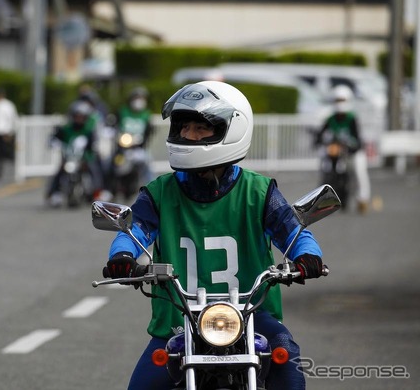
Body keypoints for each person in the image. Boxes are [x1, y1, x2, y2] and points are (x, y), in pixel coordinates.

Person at [104, 81, 326, 390]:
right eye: (184, 128)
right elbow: (134, 229)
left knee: (286, 357)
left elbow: (292, 230)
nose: (188, 135)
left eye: (200, 128)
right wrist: (122, 256)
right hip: (177, 323)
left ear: (233, 130)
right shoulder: (158, 193)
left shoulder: (259, 192)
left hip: (250, 317)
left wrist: (307, 255)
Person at [315, 84, 370, 214]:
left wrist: (351, 146)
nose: (340, 103)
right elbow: (320, 134)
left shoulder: (352, 118)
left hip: (352, 152)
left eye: (342, 100)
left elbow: (357, 139)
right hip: (337, 151)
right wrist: (320, 141)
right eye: (337, 100)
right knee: (324, 169)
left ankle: (363, 199)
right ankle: (321, 200)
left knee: (359, 171)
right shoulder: (331, 119)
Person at [46, 99, 104, 206]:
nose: (79, 119)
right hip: (69, 158)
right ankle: (54, 193)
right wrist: (54, 143)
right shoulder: (65, 129)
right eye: (77, 116)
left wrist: (92, 150)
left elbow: (93, 144)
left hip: (84, 159)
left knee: (94, 170)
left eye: (81, 117)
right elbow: (54, 138)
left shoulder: (88, 130)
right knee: (60, 173)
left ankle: (97, 192)